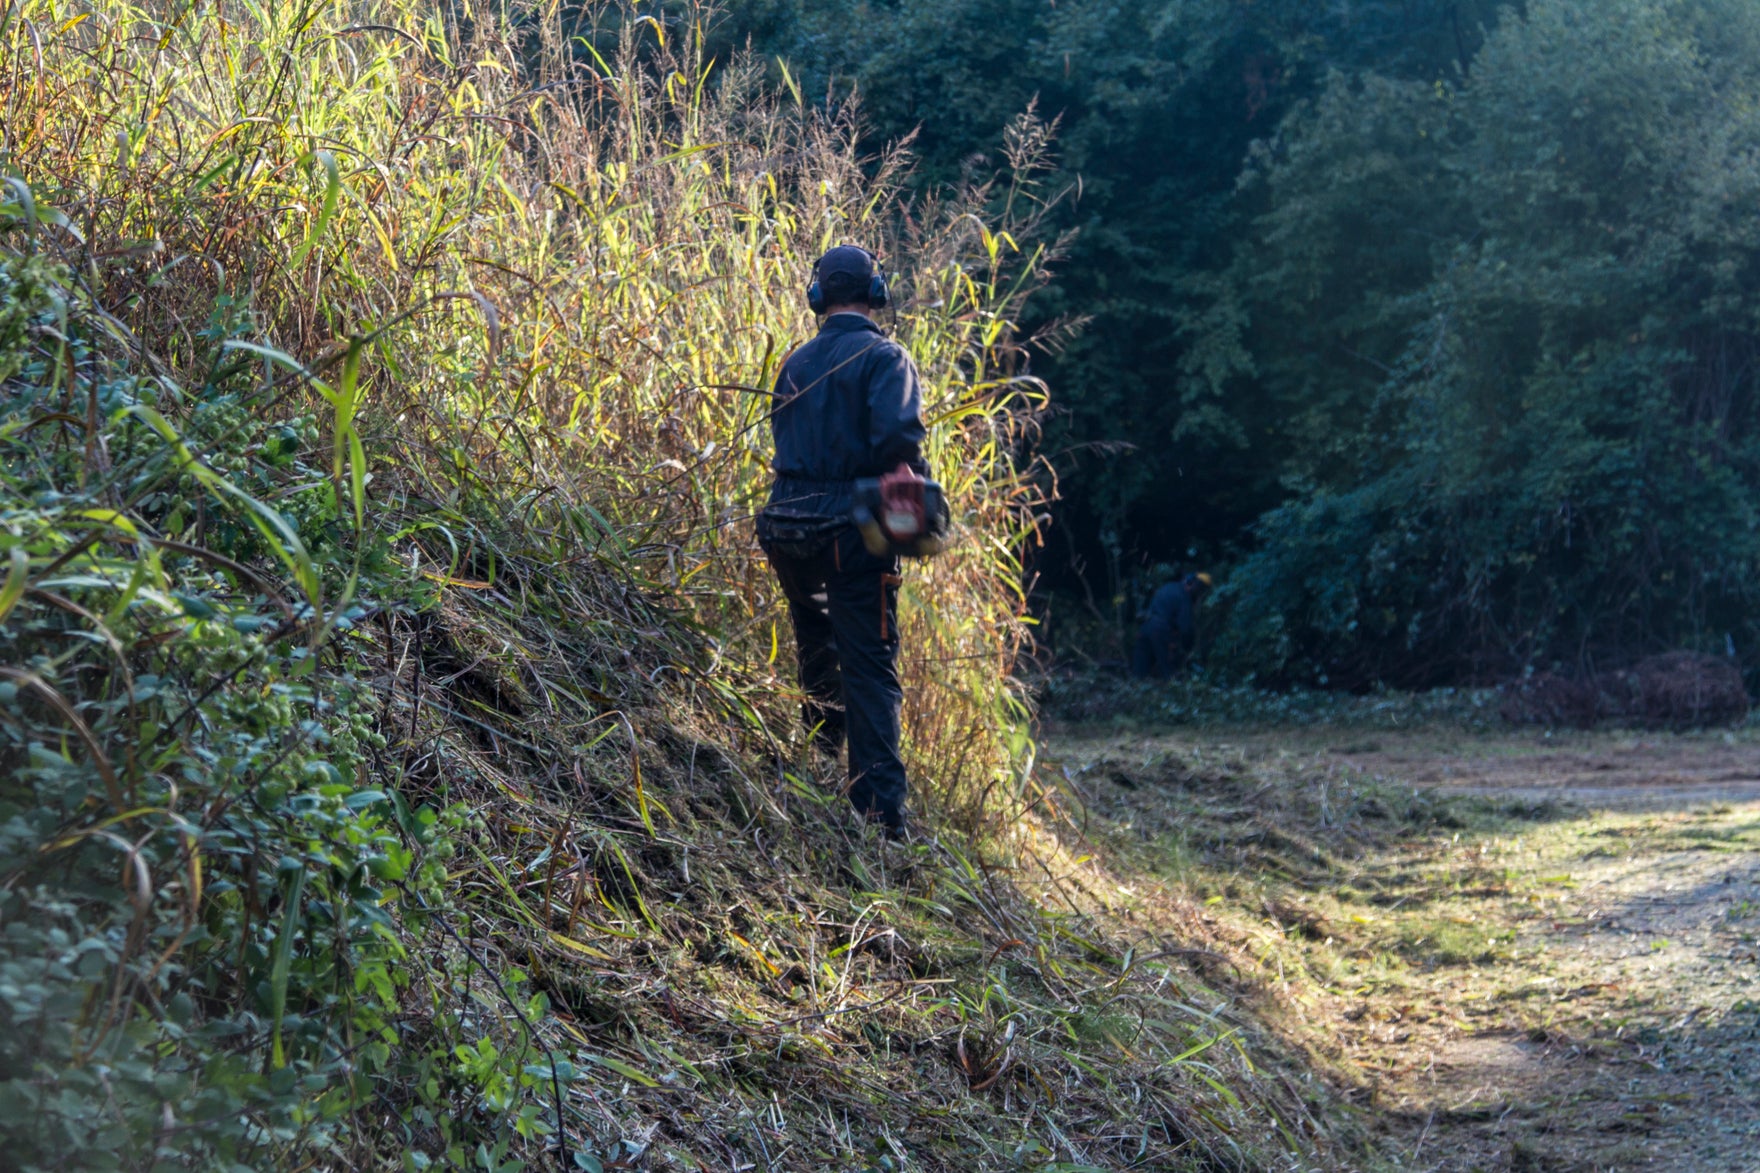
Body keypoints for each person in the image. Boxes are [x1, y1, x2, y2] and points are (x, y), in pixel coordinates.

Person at [756, 244, 926, 837]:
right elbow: (898, 445)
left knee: (818, 654)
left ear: (818, 296)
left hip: (787, 530)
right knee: (869, 668)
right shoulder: (886, 358)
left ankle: (818, 778)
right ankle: (880, 823)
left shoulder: (796, 362)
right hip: (849, 535)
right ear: (876, 292)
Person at [1132, 570, 1211, 679]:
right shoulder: (1184, 598)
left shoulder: (1169, 587)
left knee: (1139, 671)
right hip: (1161, 631)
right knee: (1170, 671)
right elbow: (1186, 628)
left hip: (1145, 627)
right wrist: (1188, 648)